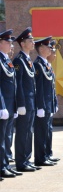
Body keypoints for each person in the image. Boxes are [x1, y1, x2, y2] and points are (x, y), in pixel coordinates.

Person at [13, 28, 40, 172]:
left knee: (29, 132)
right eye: (30, 41)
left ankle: (27, 159)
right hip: (25, 104)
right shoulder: (18, 60)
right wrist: (21, 104)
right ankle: (21, 162)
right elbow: (18, 85)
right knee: (22, 132)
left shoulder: (28, 60)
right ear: (23, 44)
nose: (33, 42)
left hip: (31, 103)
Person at [33, 36, 58, 168]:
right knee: (41, 131)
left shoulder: (46, 64)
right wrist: (41, 106)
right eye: (48, 46)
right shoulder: (38, 65)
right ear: (41, 48)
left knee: (47, 130)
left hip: (48, 104)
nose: (50, 49)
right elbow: (40, 88)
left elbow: (51, 87)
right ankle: (40, 157)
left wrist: (54, 103)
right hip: (42, 105)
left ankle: (47, 154)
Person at [0, 30, 18, 179]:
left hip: (10, 105)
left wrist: (16, 105)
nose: (11, 45)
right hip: (3, 106)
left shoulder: (6, 60)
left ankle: (5, 165)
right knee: (1, 138)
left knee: (7, 137)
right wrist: (1, 106)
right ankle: (1, 167)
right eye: (7, 42)